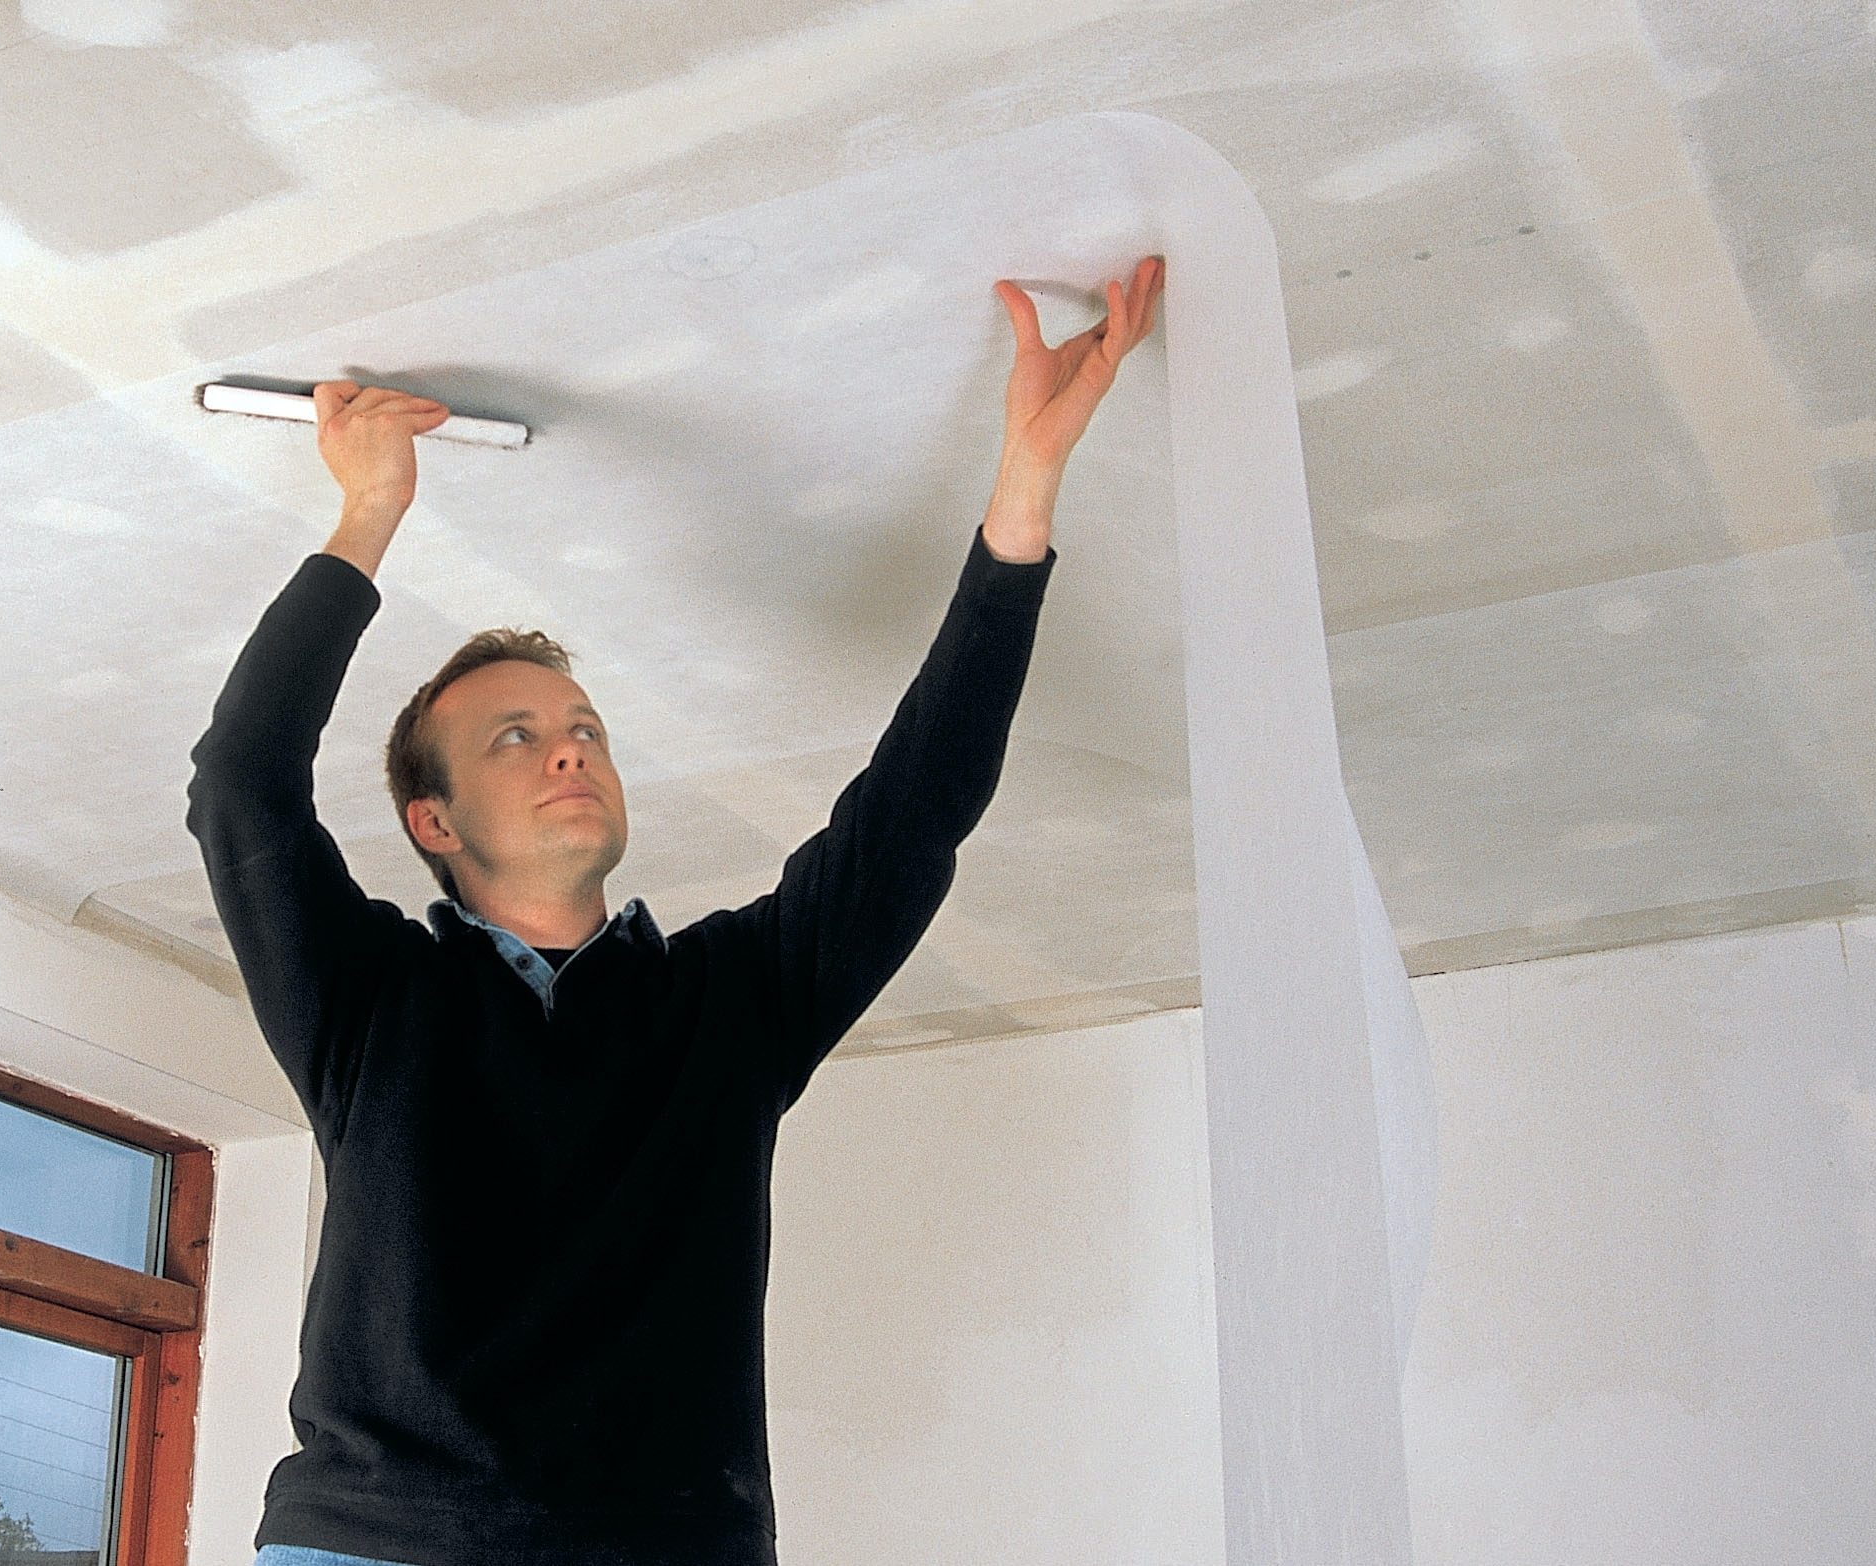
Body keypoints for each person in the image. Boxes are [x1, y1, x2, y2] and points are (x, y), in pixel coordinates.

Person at [189, 257, 1164, 1566]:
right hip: (380, 1540)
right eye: (515, 737)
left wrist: (1023, 495)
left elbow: (911, 814)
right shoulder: (370, 1001)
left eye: (584, 728)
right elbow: (241, 785)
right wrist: (368, 512)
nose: (569, 748)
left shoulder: (732, 1003)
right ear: (435, 822)